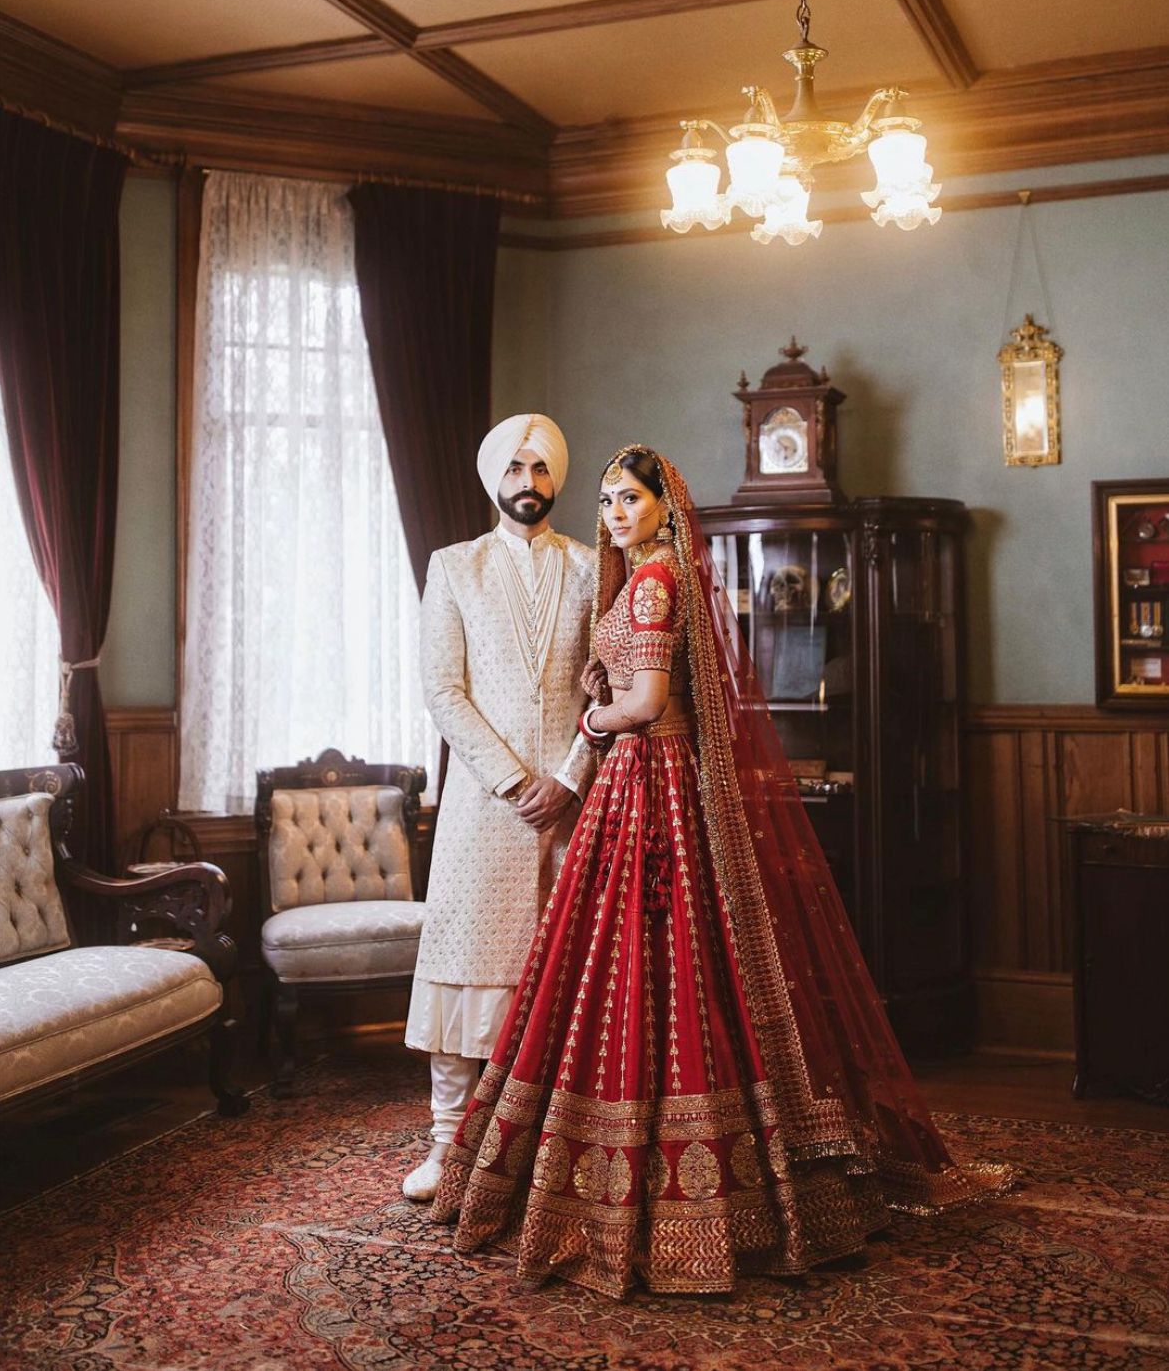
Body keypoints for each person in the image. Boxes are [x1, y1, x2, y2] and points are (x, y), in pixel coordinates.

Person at [431, 445, 1013, 1296]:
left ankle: (667, 1169)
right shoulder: (639, 577)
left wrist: (594, 719)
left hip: (647, 776)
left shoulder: (656, 581)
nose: (616, 512)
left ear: (666, 505)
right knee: (650, 954)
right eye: (606, 499)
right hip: (643, 782)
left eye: (631, 498)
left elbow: (648, 705)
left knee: (645, 953)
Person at [401, 414, 597, 1202]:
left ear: (557, 480)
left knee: (564, 975)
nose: (529, 483)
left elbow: (609, 685)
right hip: (485, 809)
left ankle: (553, 1147)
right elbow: (442, 690)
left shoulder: (592, 569)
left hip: (574, 804)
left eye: (542, 470)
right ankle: (449, 1145)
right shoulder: (454, 567)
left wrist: (569, 777)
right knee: (464, 966)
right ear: (494, 479)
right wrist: (516, 783)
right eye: (515, 469)